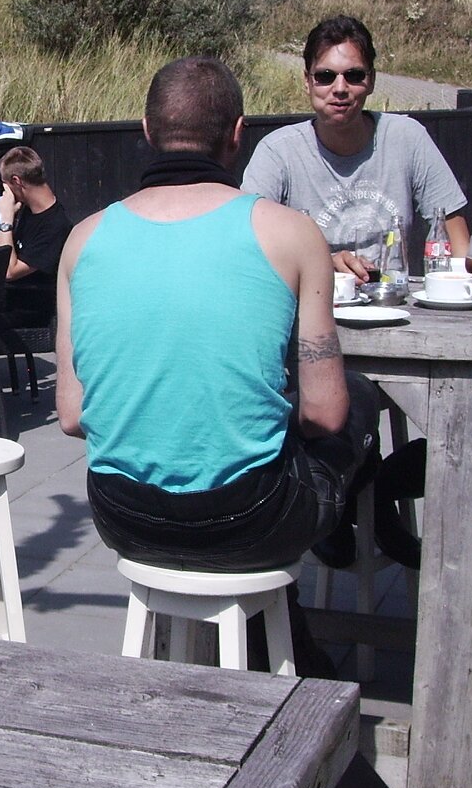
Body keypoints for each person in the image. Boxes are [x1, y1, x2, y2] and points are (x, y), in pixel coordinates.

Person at [57, 56, 377, 580]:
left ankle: (274, 615)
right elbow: (324, 415)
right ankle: (345, 534)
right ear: (237, 134)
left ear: (147, 131)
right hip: (254, 521)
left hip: (124, 519)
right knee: (357, 395)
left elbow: (72, 417)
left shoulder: (82, 240)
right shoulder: (292, 232)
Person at [242, 15, 471, 280]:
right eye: (325, 76)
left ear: (371, 81)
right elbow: (246, 243)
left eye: (354, 76)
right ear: (307, 81)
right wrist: (324, 264)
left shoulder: (408, 138)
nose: (340, 88)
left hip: (392, 296)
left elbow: (456, 238)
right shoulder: (277, 152)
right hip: (311, 297)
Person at [0, 145, 72, 329]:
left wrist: (5, 220)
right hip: (5, 303)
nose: (4, 191)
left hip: (28, 313)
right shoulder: (25, 209)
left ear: (16, 181)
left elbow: (9, 271)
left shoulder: (55, 225)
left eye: (5, 184)